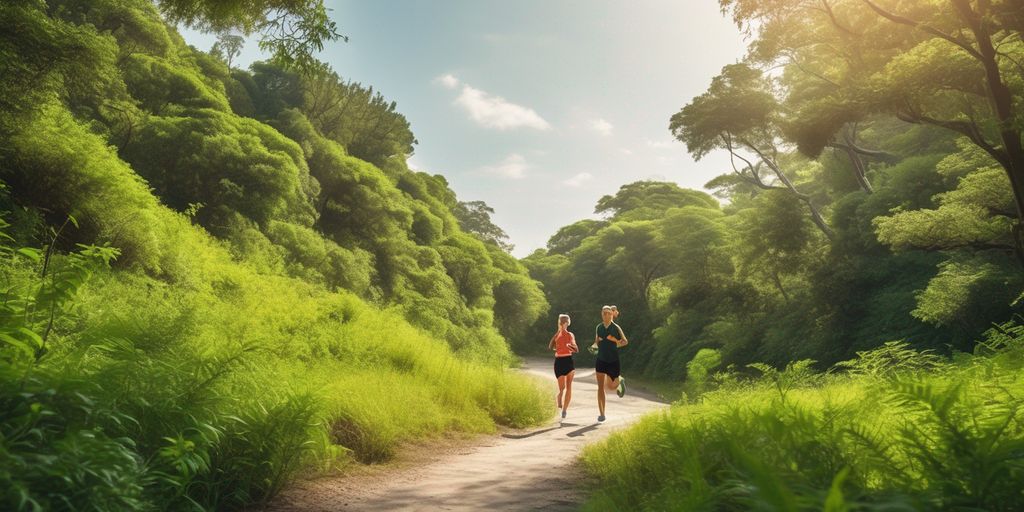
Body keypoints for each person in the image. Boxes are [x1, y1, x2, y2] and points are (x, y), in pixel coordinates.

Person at [593, 305, 627, 422]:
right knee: (600, 387)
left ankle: (620, 381)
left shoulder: (616, 327)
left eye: (608, 313)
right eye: (604, 313)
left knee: (611, 386)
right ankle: (602, 414)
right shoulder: (599, 327)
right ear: (601, 314)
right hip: (601, 359)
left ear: (612, 315)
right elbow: (596, 343)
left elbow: (625, 342)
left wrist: (615, 341)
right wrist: (597, 343)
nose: (606, 315)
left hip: (613, 360)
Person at [548, 314, 578, 421]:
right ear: (559, 324)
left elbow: (576, 349)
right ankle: (559, 396)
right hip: (559, 362)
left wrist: (569, 346)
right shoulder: (557, 335)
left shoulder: (570, 335)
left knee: (569, 387)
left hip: (568, 361)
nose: (563, 324)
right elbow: (550, 346)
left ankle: (565, 410)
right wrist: (558, 332)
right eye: (561, 322)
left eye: (564, 322)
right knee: (562, 388)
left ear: (567, 323)